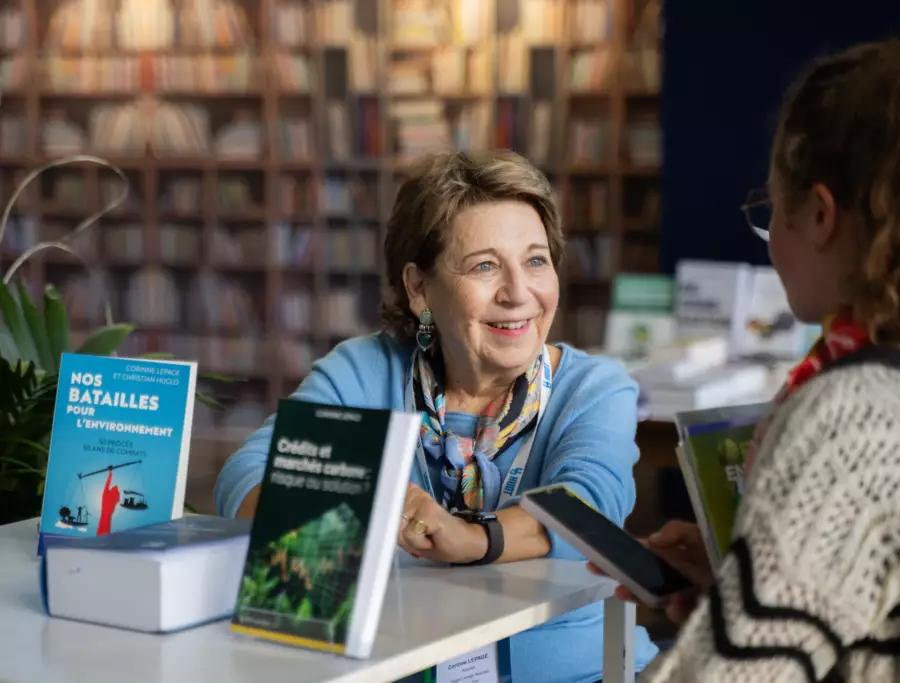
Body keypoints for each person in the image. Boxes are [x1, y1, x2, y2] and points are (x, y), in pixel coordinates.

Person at [600, 10, 900, 683]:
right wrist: (751, 593)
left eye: (770, 208)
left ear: (821, 215)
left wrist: (729, 635)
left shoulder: (850, 417)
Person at [214, 149, 659, 682]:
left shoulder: (593, 387)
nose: (519, 293)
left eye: (536, 260)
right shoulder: (363, 371)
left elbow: (591, 505)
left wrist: (472, 538)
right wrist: (365, 501)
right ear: (420, 288)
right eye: (485, 265)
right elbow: (245, 478)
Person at [97, 466, 119, 536]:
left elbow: (107, 483)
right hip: (106, 516)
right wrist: (110, 473)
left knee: (104, 528)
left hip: (106, 515)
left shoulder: (108, 494)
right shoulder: (110, 495)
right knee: (105, 529)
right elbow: (108, 483)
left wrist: (110, 473)